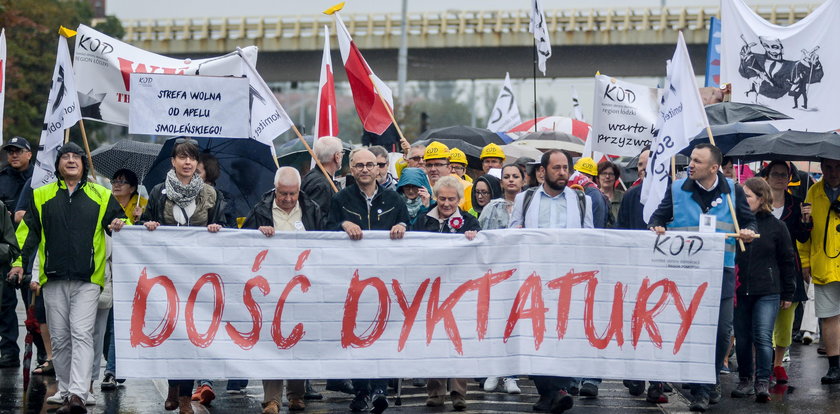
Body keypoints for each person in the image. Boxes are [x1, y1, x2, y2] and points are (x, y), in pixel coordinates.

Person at [8, 142, 127, 414]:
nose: (71, 160)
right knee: (60, 338)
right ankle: (64, 389)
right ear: (58, 165)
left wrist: (122, 223)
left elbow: (121, 227)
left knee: (82, 333)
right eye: (66, 157)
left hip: (88, 279)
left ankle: (78, 393)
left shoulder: (102, 194)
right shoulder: (41, 195)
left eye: (76, 156)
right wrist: (18, 264)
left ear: (84, 164)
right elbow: (28, 235)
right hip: (53, 278)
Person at [649, 143, 757, 412]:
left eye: (697, 161)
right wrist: (657, 226)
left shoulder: (733, 190)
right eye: (690, 160)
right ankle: (701, 388)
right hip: (686, 273)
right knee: (692, 330)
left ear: (714, 167)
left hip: (722, 271)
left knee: (721, 330)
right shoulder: (676, 188)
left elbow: (749, 222)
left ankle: (709, 379)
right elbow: (656, 218)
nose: (691, 165)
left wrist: (747, 231)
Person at [140, 137, 226, 414]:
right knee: (171, 331)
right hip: (167, 274)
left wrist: (216, 228)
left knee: (191, 333)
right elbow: (144, 225)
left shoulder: (211, 195)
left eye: (192, 157)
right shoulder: (158, 192)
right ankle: (172, 386)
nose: (187, 162)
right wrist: (148, 225)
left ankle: (185, 396)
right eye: (182, 157)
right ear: (173, 161)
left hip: (198, 274)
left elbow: (223, 225)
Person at [509, 149, 593, 413]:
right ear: (543, 171)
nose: (562, 173)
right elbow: (512, 232)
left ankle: (556, 390)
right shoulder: (525, 198)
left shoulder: (581, 200)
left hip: (568, 279)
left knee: (563, 335)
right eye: (556, 168)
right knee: (535, 335)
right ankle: (551, 391)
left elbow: (590, 236)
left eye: (566, 168)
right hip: (535, 279)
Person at [327, 148, 409, 413]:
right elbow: (324, 232)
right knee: (358, 335)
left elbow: (409, 226)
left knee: (383, 334)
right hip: (354, 281)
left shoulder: (395, 199)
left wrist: (403, 228)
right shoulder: (340, 200)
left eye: (370, 165)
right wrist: (342, 226)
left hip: (386, 279)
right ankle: (362, 390)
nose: (364, 169)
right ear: (351, 169)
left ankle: (380, 388)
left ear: (378, 168)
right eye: (359, 165)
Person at [242, 167, 324, 413]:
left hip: (302, 287)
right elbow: (241, 243)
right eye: (283, 194)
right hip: (271, 288)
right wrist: (257, 234)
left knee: (298, 339)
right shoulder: (260, 211)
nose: (288, 199)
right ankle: (272, 398)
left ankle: (296, 394)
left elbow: (325, 243)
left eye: (293, 194)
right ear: (274, 189)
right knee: (272, 342)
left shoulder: (312, 210)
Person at [410, 175, 477, 411]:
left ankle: (459, 392)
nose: (446, 204)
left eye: (451, 199)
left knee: (459, 341)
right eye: (441, 199)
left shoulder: (470, 222)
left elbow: (479, 253)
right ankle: (435, 391)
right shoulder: (422, 220)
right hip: (431, 290)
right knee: (434, 340)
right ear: (435, 197)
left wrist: (474, 239)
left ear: (459, 199)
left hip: (460, 291)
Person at [730, 177, 796, 403]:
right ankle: (745, 379)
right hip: (740, 290)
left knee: (763, 337)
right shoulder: (735, 224)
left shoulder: (778, 226)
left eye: (747, 196)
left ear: (761, 198)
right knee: (742, 337)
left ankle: (762, 381)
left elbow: (788, 261)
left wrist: (788, 293)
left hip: (767, 290)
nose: (743, 199)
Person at [763, 161, 811, 385]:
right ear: (768, 176)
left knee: (786, 318)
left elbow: (802, 238)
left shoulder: (797, 204)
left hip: (788, 268)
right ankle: (763, 362)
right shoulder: (759, 202)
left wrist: (805, 220)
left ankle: (778, 363)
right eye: (776, 174)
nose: (780, 178)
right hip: (762, 267)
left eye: (785, 174)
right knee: (762, 318)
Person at [797, 157, 840, 385]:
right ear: (821, 167)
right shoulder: (812, 192)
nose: (833, 172)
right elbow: (805, 232)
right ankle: (834, 366)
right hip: (823, 263)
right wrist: (805, 262)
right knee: (829, 317)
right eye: (828, 167)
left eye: (838, 167)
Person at [0, 136, 34, 369]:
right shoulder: (1, 179)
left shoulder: (41, 179)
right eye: (10, 151)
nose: (14, 155)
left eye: (19, 151)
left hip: (31, 249)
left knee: (33, 303)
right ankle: (9, 351)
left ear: (29, 154)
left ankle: (41, 352)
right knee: (5, 304)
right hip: (7, 250)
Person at [301, 136, 343, 218]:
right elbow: (318, 219)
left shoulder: (312, 176)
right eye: (342, 152)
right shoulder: (322, 185)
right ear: (337, 156)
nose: (342, 155)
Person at [478, 164, 526, 231]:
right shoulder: (492, 207)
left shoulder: (530, 205)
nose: (511, 180)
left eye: (515, 177)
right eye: (506, 177)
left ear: (523, 182)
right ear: (501, 183)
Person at [570, 157, 609, 228]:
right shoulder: (568, 190)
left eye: (588, 176)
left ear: (594, 179)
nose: (584, 178)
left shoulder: (594, 195)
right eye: (581, 174)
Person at [617, 148, 650, 231]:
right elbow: (621, 228)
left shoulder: (672, 192)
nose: (643, 168)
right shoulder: (630, 195)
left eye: (648, 163)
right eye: (640, 164)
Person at [597, 160, 624, 225]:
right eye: (604, 173)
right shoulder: (594, 196)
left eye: (611, 174)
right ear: (598, 177)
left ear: (615, 177)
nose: (607, 177)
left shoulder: (623, 197)